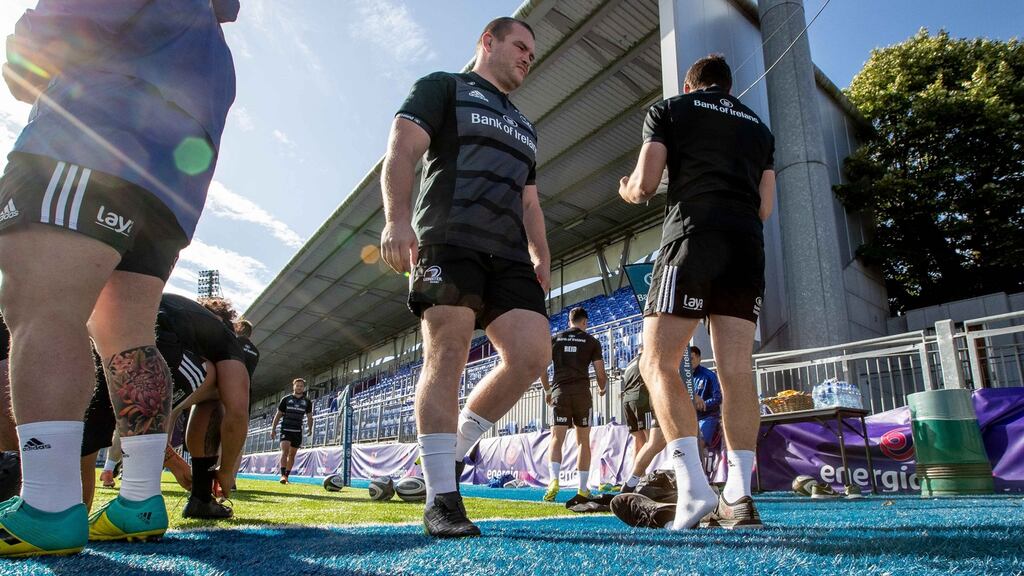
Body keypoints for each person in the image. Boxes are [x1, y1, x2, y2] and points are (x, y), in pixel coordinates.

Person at [0, 1, 238, 555]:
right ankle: (138, 500)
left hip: (90, 146)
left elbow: (36, 48)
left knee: (43, 309)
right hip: (171, 185)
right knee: (129, 339)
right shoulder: (212, 39)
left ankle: (49, 504)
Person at [380, 16, 550, 538]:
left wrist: (541, 255)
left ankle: (451, 451)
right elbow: (402, 148)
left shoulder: (526, 125)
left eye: (531, 54)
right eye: (519, 46)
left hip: (509, 257)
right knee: (448, 352)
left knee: (531, 355)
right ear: (487, 41)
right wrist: (395, 218)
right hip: (449, 237)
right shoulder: (444, 87)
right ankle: (441, 500)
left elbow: (530, 200)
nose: (526, 57)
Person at [614, 54, 775, 530]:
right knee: (736, 371)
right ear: (727, 87)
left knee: (657, 362)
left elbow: (644, 186)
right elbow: (765, 208)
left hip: (692, 239)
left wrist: (626, 188)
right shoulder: (760, 130)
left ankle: (693, 490)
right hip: (746, 245)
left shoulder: (670, 109)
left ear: (691, 85)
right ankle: (739, 496)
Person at [540, 307, 606, 501]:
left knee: (556, 439)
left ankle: (553, 480)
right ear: (584, 322)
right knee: (583, 442)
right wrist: (603, 388)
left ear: (569, 321)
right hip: (582, 395)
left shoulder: (555, 339)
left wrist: (547, 390)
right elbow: (600, 373)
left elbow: (541, 368)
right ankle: (583, 489)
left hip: (560, 392)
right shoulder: (592, 341)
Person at [270, 378, 313, 484]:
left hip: (297, 430)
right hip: (286, 429)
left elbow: (309, 416)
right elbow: (278, 415)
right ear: (293, 386)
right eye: (297, 385)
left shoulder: (307, 401)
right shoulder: (286, 399)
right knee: (285, 452)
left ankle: (287, 476)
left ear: (304, 388)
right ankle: (282, 476)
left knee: (292, 454)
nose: (299, 387)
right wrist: (273, 429)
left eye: (301, 386)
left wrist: (310, 428)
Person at [689, 346, 722, 451]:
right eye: (686, 360)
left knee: (699, 444)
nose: (689, 362)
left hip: (708, 417)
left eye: (692, 358)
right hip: (690, 418)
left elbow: (718, 398)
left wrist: (702, 405)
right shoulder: (685, 378)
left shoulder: (709, 375)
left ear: (699, 358)